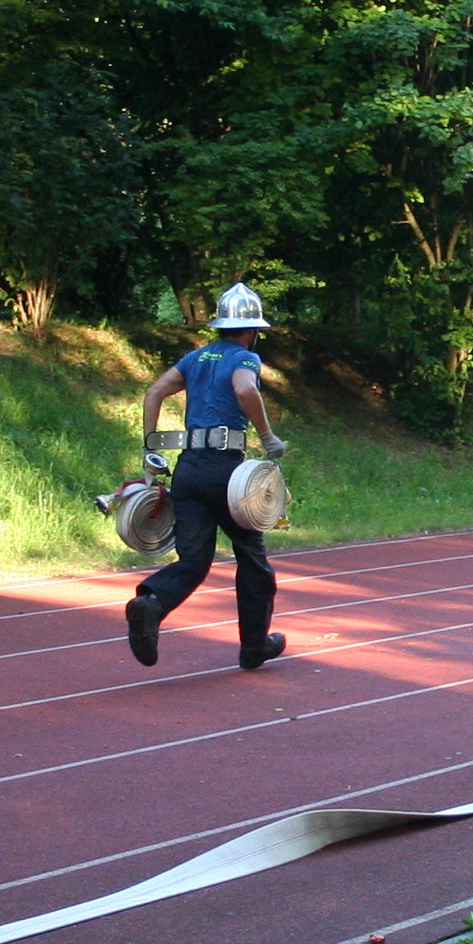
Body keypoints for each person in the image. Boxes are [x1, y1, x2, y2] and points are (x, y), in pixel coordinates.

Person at [126, 284, 290, 670]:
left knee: (195, 558)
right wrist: (267, 436)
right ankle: (254, 646)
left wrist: (151, 445)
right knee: (252, 559)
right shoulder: (246, 357)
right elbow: (244, 388)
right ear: (252, 330)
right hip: (226, 473)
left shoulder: (196, 357)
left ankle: (151, 602)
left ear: (221, 325)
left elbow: (154, 392)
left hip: (189, 471)